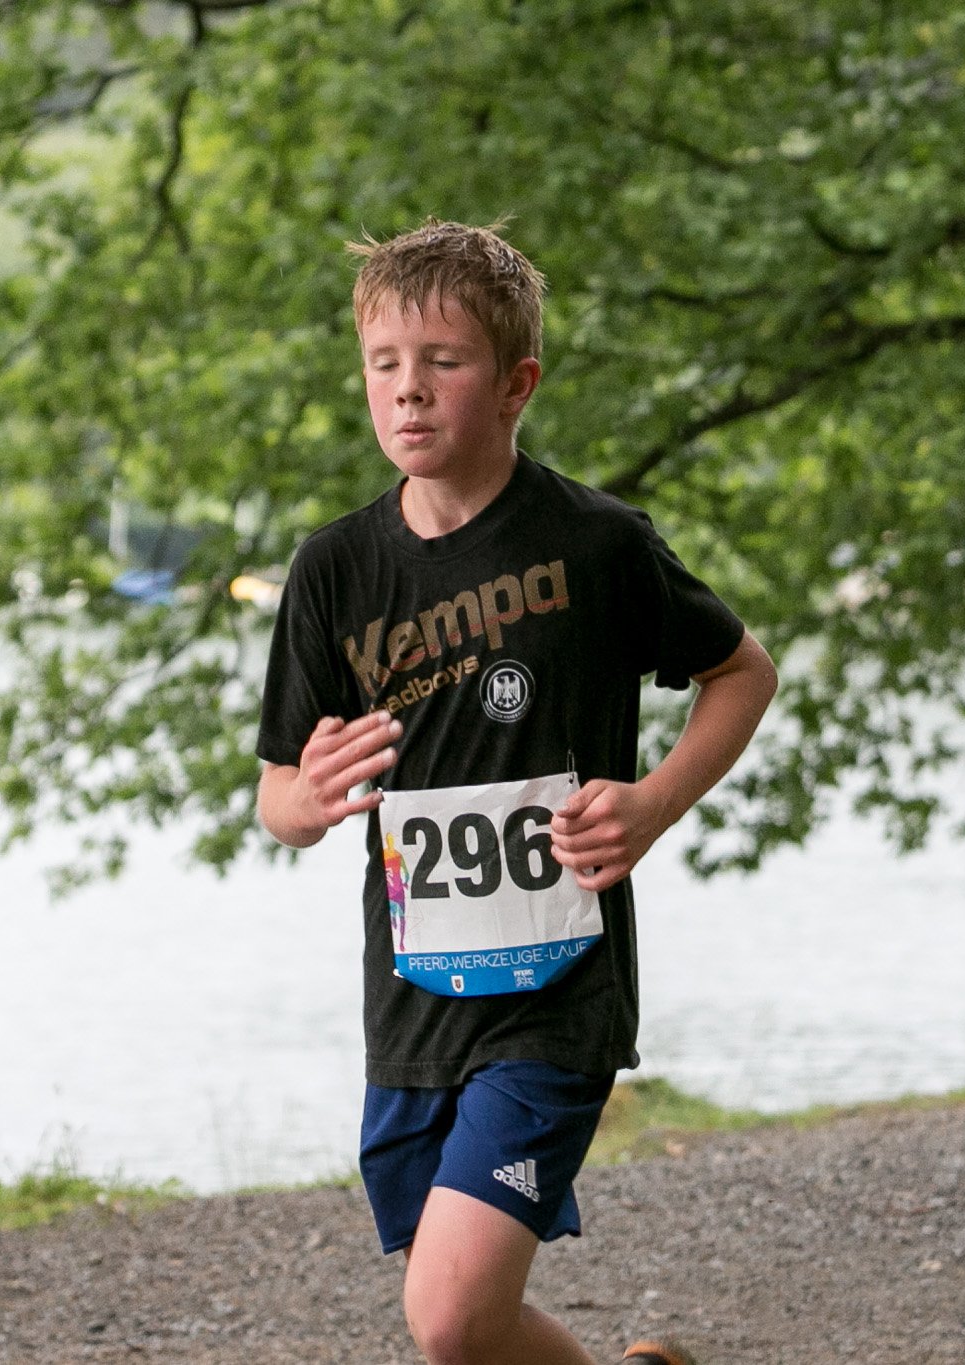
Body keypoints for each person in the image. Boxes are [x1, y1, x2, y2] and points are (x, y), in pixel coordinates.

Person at [255, 219, 779, 1365]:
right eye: (384, 364)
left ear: (514, 384)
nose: (407, 389)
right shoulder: (333, 568)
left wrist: (651, 803)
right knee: (468, 1321)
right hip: (411, 1003)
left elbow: (741, 673)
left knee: (446, 1318)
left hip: (556, 986)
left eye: (442, 361)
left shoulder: (596, 545)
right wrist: (310, 795)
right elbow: (276, 797)